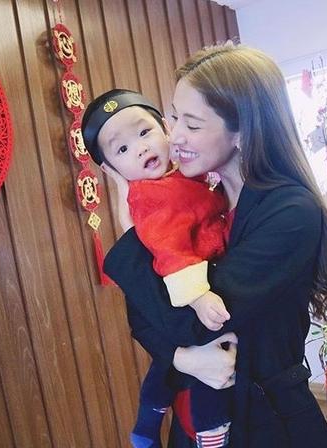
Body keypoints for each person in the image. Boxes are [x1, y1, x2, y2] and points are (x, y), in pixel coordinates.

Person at [103, 43, 327, 447]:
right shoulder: (205, 202)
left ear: (242, 130)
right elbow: (144, 318)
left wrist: (132, 233)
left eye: (192, 124)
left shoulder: (291, 212)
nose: (174, 136)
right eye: (173, 117)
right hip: (193, 424)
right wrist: (183, 358)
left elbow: (189, 322)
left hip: (269, 424)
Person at [81, 89, 234, 448]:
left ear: (166, 128)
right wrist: (197, 296)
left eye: (144, 132)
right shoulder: (150, 197)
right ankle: (201, 427)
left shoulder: (186, 176)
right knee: (200, 374)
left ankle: (149, 421)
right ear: (111, 170)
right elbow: (169, 254)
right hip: (192, 297)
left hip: (203, 321)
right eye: (122, 149)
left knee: (176, 371)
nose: (140, 148)